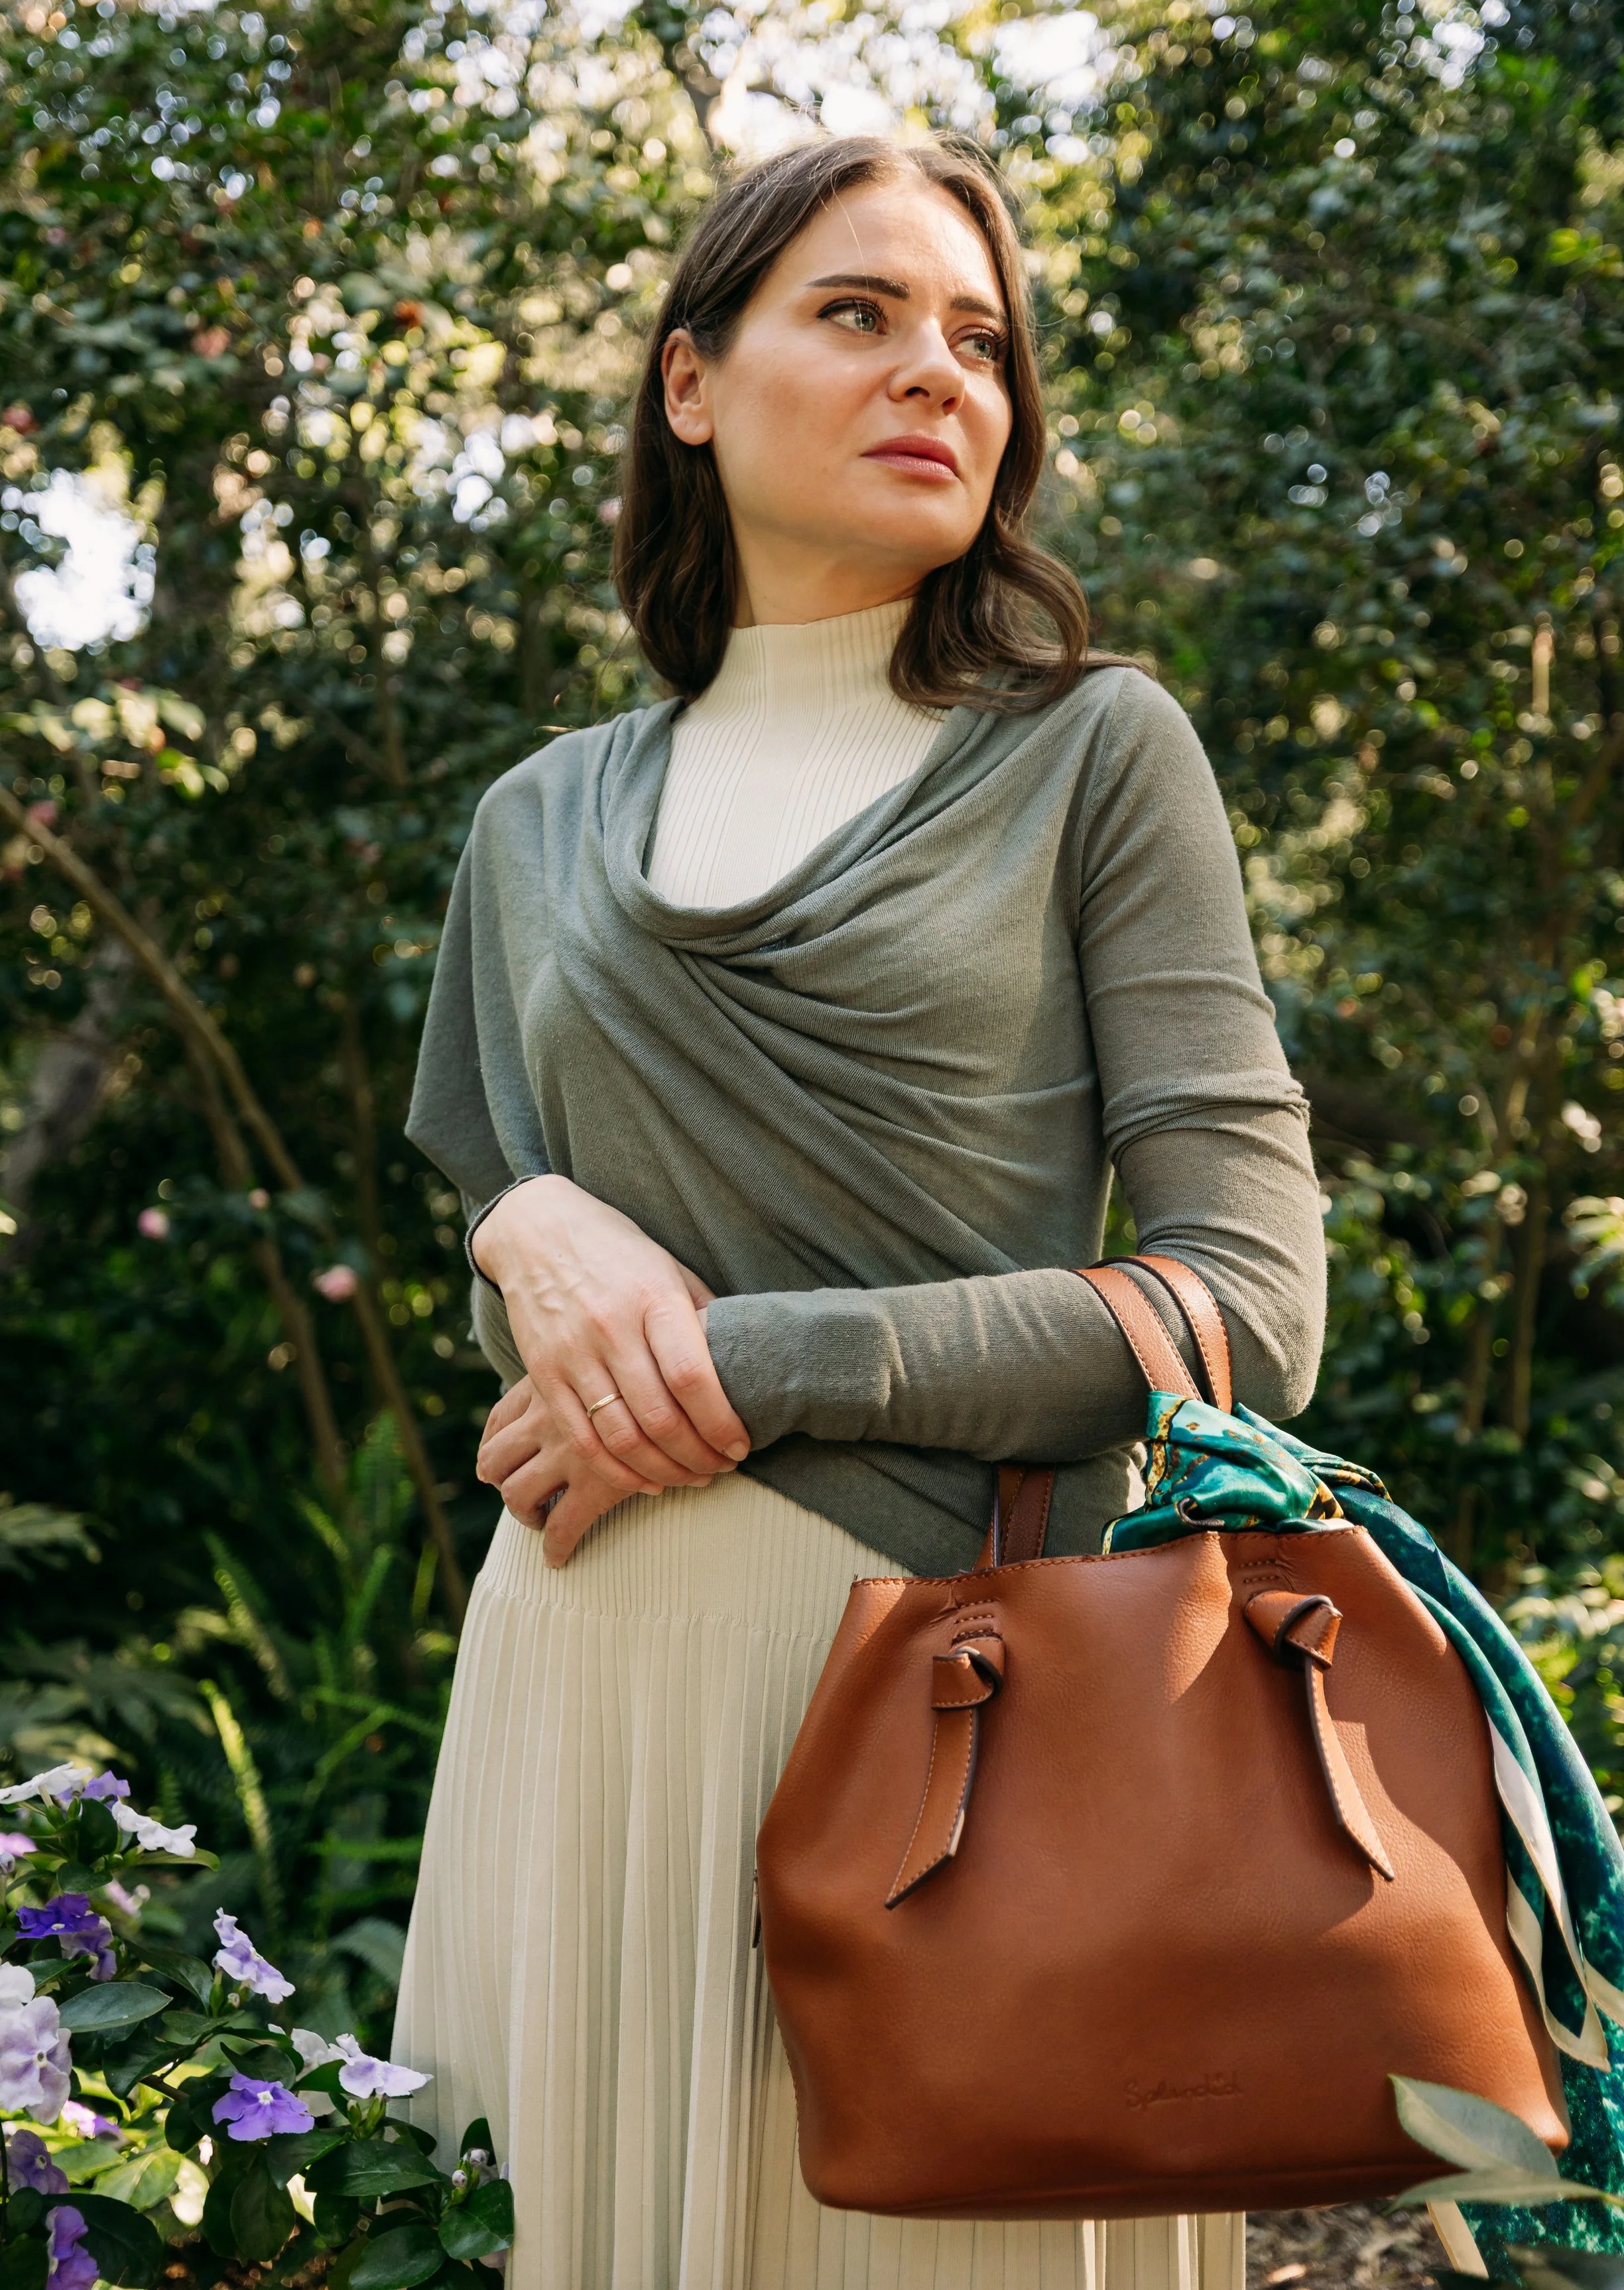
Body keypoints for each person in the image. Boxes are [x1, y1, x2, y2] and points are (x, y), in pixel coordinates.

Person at [393, 131, 1326, 2290]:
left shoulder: (1095, 753)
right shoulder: (532, 823)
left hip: (963, 1736)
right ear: (689, 383)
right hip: (585, 1705)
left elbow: (1245, 1304)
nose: (939, 373)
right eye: (859, 312)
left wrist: (749, 1355)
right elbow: (527, 1320)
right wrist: (516, 1223)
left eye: (980, 341)